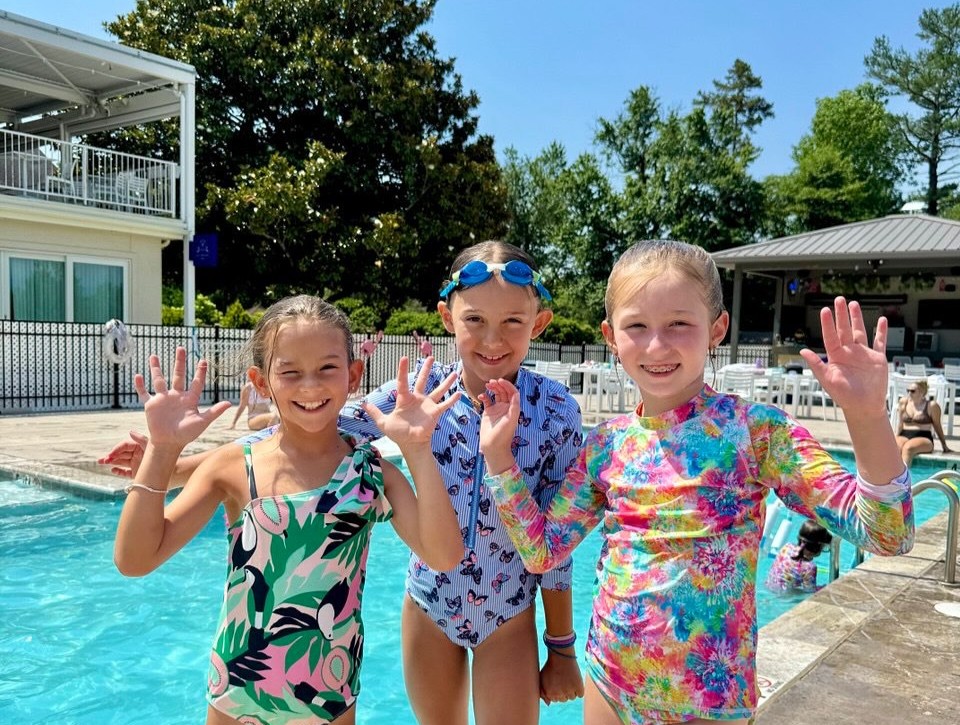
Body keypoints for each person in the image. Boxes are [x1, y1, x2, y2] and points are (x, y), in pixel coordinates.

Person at [100, 242, 585, 724]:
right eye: (475, 319)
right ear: (447, 317)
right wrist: (169, 461)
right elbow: (308, 431)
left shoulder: (555, 411)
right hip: (429, 603)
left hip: (506, 610)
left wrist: (561, 645)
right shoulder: (415, 392)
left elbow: (556, 539)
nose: (492, 339)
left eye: (512, 321)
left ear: (538, 323)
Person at [476, 239, 914, 724]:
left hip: (708, 701)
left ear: (716, 329)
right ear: (611, 336)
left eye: (679, 324)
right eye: (636, 326)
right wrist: (499, 457)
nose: (656, 345)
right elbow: (543, 551)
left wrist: (867, 416)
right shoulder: (605, 445)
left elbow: (887, 534)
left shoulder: (754, 432)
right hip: (611, 683)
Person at [113, 295, 464, 725]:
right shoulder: (233, 466)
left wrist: (418, 450)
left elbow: (444, 556)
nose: (310, 386)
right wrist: (162, 450)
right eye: (290, 372)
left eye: (327, 368)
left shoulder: (372, 474)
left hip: (328, 694)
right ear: (261, 383)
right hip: (238, 690)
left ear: (354, 375)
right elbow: (135, 559)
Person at [895, 379, 952, 467]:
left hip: (924, 437)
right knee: (895, 448)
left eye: (913, 391)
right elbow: (900, 423)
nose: (909, 393)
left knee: (908, 448)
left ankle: (904, 475)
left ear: (922, 392)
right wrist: (896, 437)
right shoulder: (904, 402)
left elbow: (937, 426)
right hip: (904, 434)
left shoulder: (932, 406)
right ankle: (889, 474)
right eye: (908, 390)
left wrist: (944, 445)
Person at [765, 521, 833, 594]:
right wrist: (824, 588)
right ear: (818, 547)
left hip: (769, 586)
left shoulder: (787, 547)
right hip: (783, 596)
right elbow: (810, 591)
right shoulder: (809, 567)